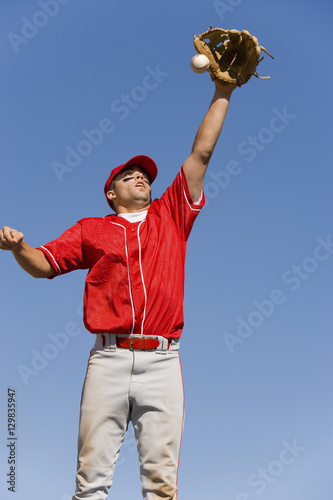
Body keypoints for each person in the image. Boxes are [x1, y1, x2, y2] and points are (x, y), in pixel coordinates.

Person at [0, 79, 236, 499]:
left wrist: (223, 91)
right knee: (90, 480)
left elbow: (202, 152)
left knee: (160, 483)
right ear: (112, 193)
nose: (141, 178)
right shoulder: (91, 230)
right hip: (107, 358)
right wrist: (20, 247)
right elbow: (42, 266)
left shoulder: (172, 215)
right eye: (130, 176)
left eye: (145, 175)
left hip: (163, 361)